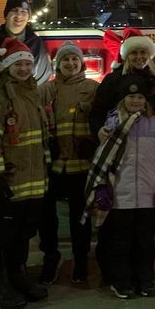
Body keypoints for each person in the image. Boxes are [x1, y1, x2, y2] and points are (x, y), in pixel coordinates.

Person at [0, 37, 52, 309]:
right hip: (7, 182)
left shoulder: (33, 95)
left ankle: (18, 277)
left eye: (28, 63)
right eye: (18, 64)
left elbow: (40, 139)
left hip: (31, 185)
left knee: (21, 235)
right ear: (7, 67)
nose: (24, 68)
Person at [82, 76, 155, 299]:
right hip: (120, 194)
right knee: (120, 241)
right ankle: (121, 281)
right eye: (131, 97)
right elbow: (103, 159)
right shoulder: (112, 124)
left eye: (140, 97)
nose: (136, 101)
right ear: (123, 99)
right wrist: (101, 186)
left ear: (146, 100)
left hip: (146, 193)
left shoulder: (154, 124)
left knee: (145, 243)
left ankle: (145, 280)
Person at [34, 41, 99, 285]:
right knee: (46, 218)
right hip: (52, 166)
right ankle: (51, 257)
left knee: (80, 218)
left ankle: (81, 263)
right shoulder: (46, 91)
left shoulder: (93, 89)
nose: (70, 64)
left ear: (81, 62)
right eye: (65, 60)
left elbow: (104, 118)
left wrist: (94, 140)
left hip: (81, 166)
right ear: (57, 64)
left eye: (74, 59)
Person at [0, 0, 52, 83]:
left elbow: (43, 76)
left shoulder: (36, 43)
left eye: (24, 11)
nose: (19, 15)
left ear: (28, 16)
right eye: (14, 10)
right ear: (6, 15)